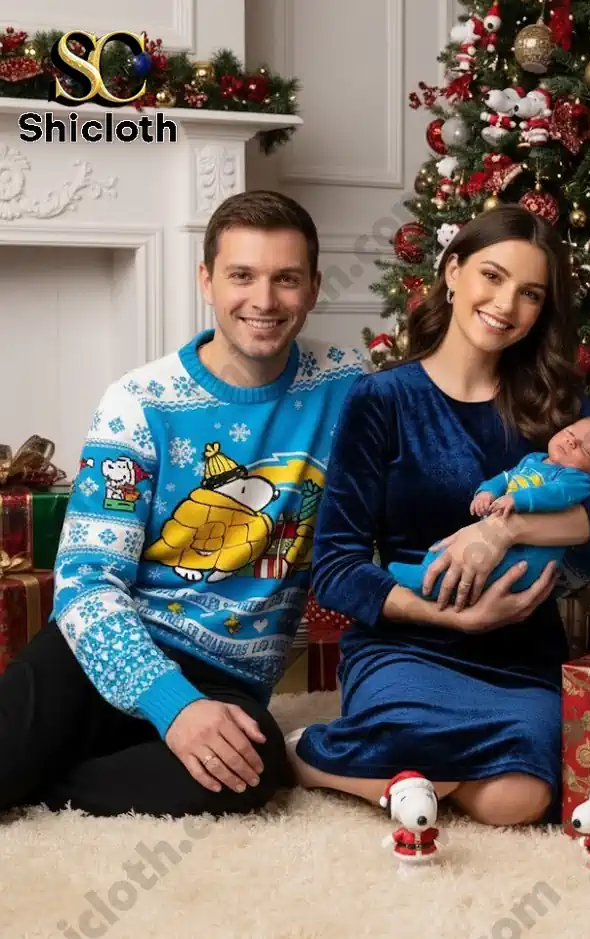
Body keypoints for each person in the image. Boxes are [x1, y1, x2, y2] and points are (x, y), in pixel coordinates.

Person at [0, 190, 367, 819]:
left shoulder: (350, 390)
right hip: (103, 650)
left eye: (286, 279)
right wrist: (172, 704)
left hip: (228, 674)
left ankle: (53, 788)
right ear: (206, 279)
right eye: (242, 276)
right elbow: (86, 583)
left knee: (253, 774)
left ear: (312, 287)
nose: (265, 299)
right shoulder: (139, 402)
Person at [287, 204, 590, 826]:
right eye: (493, 276)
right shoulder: (383, 399)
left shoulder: (558, 406)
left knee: (523, 798)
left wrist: (501, 528)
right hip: (406, 644)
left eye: (531, 293)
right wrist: (448, 614)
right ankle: (307, 757)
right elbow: (337, 565)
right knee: (422, 739)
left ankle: (404, 778)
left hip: (520, 649)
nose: (507, 305)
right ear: (453, 271)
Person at [388, 414, 590, 598]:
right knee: (449, 550)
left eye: (586, 448)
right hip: (502, 535)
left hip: (531, 551)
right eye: (570, 432)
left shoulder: (578, 479)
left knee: (487, 569)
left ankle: (426, 583)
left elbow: (557, 494)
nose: (571, 442)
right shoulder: (534, 460)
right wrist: (487, 491)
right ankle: (425, 572)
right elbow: (506, 478)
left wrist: (518, 500)